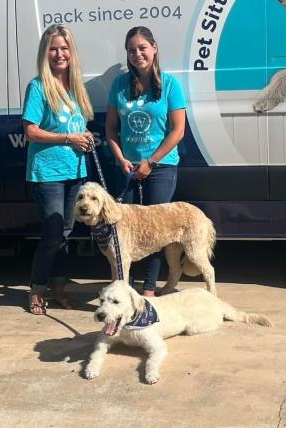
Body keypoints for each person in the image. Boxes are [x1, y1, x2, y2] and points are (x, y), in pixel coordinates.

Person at [105, 26, 187, 297]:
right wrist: (120, 158)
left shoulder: (171, 85)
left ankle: (149, 288)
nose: (137, 54)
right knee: (121, 230)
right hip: (127, 167)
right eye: (131, 50)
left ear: (154, 48)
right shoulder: (119, 85)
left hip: (160, 167)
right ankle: (122, 289)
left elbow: (178, 131)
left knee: (155, 231)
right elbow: (111, 129)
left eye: (142, 48)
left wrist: (151, 161)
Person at [23, 24, 94, 315]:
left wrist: (84, 135)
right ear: (45, 53)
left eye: (64, 48)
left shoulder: (76, 86)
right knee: (53, 234)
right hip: (48, 173)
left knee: (66, 233)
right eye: (53, 49)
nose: (59, 54)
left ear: (71, 52)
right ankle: (37, 289)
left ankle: (59, 288)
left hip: (75, 170)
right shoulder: (38, 87)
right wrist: (68, 139)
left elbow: (78, 125)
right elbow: (31, 132)